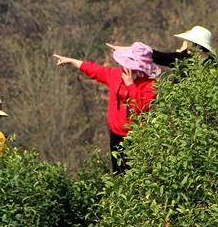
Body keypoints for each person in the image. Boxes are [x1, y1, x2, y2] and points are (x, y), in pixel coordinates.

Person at [53, 41, 159, 174]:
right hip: (116, 134)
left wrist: (131, 85)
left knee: (136, 174)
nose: (126, 67)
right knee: (119, 173)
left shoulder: (150, 85)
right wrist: (72, 61)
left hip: (137, 137)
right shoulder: (116, 75)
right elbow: (96, 71)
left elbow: (141, 108)